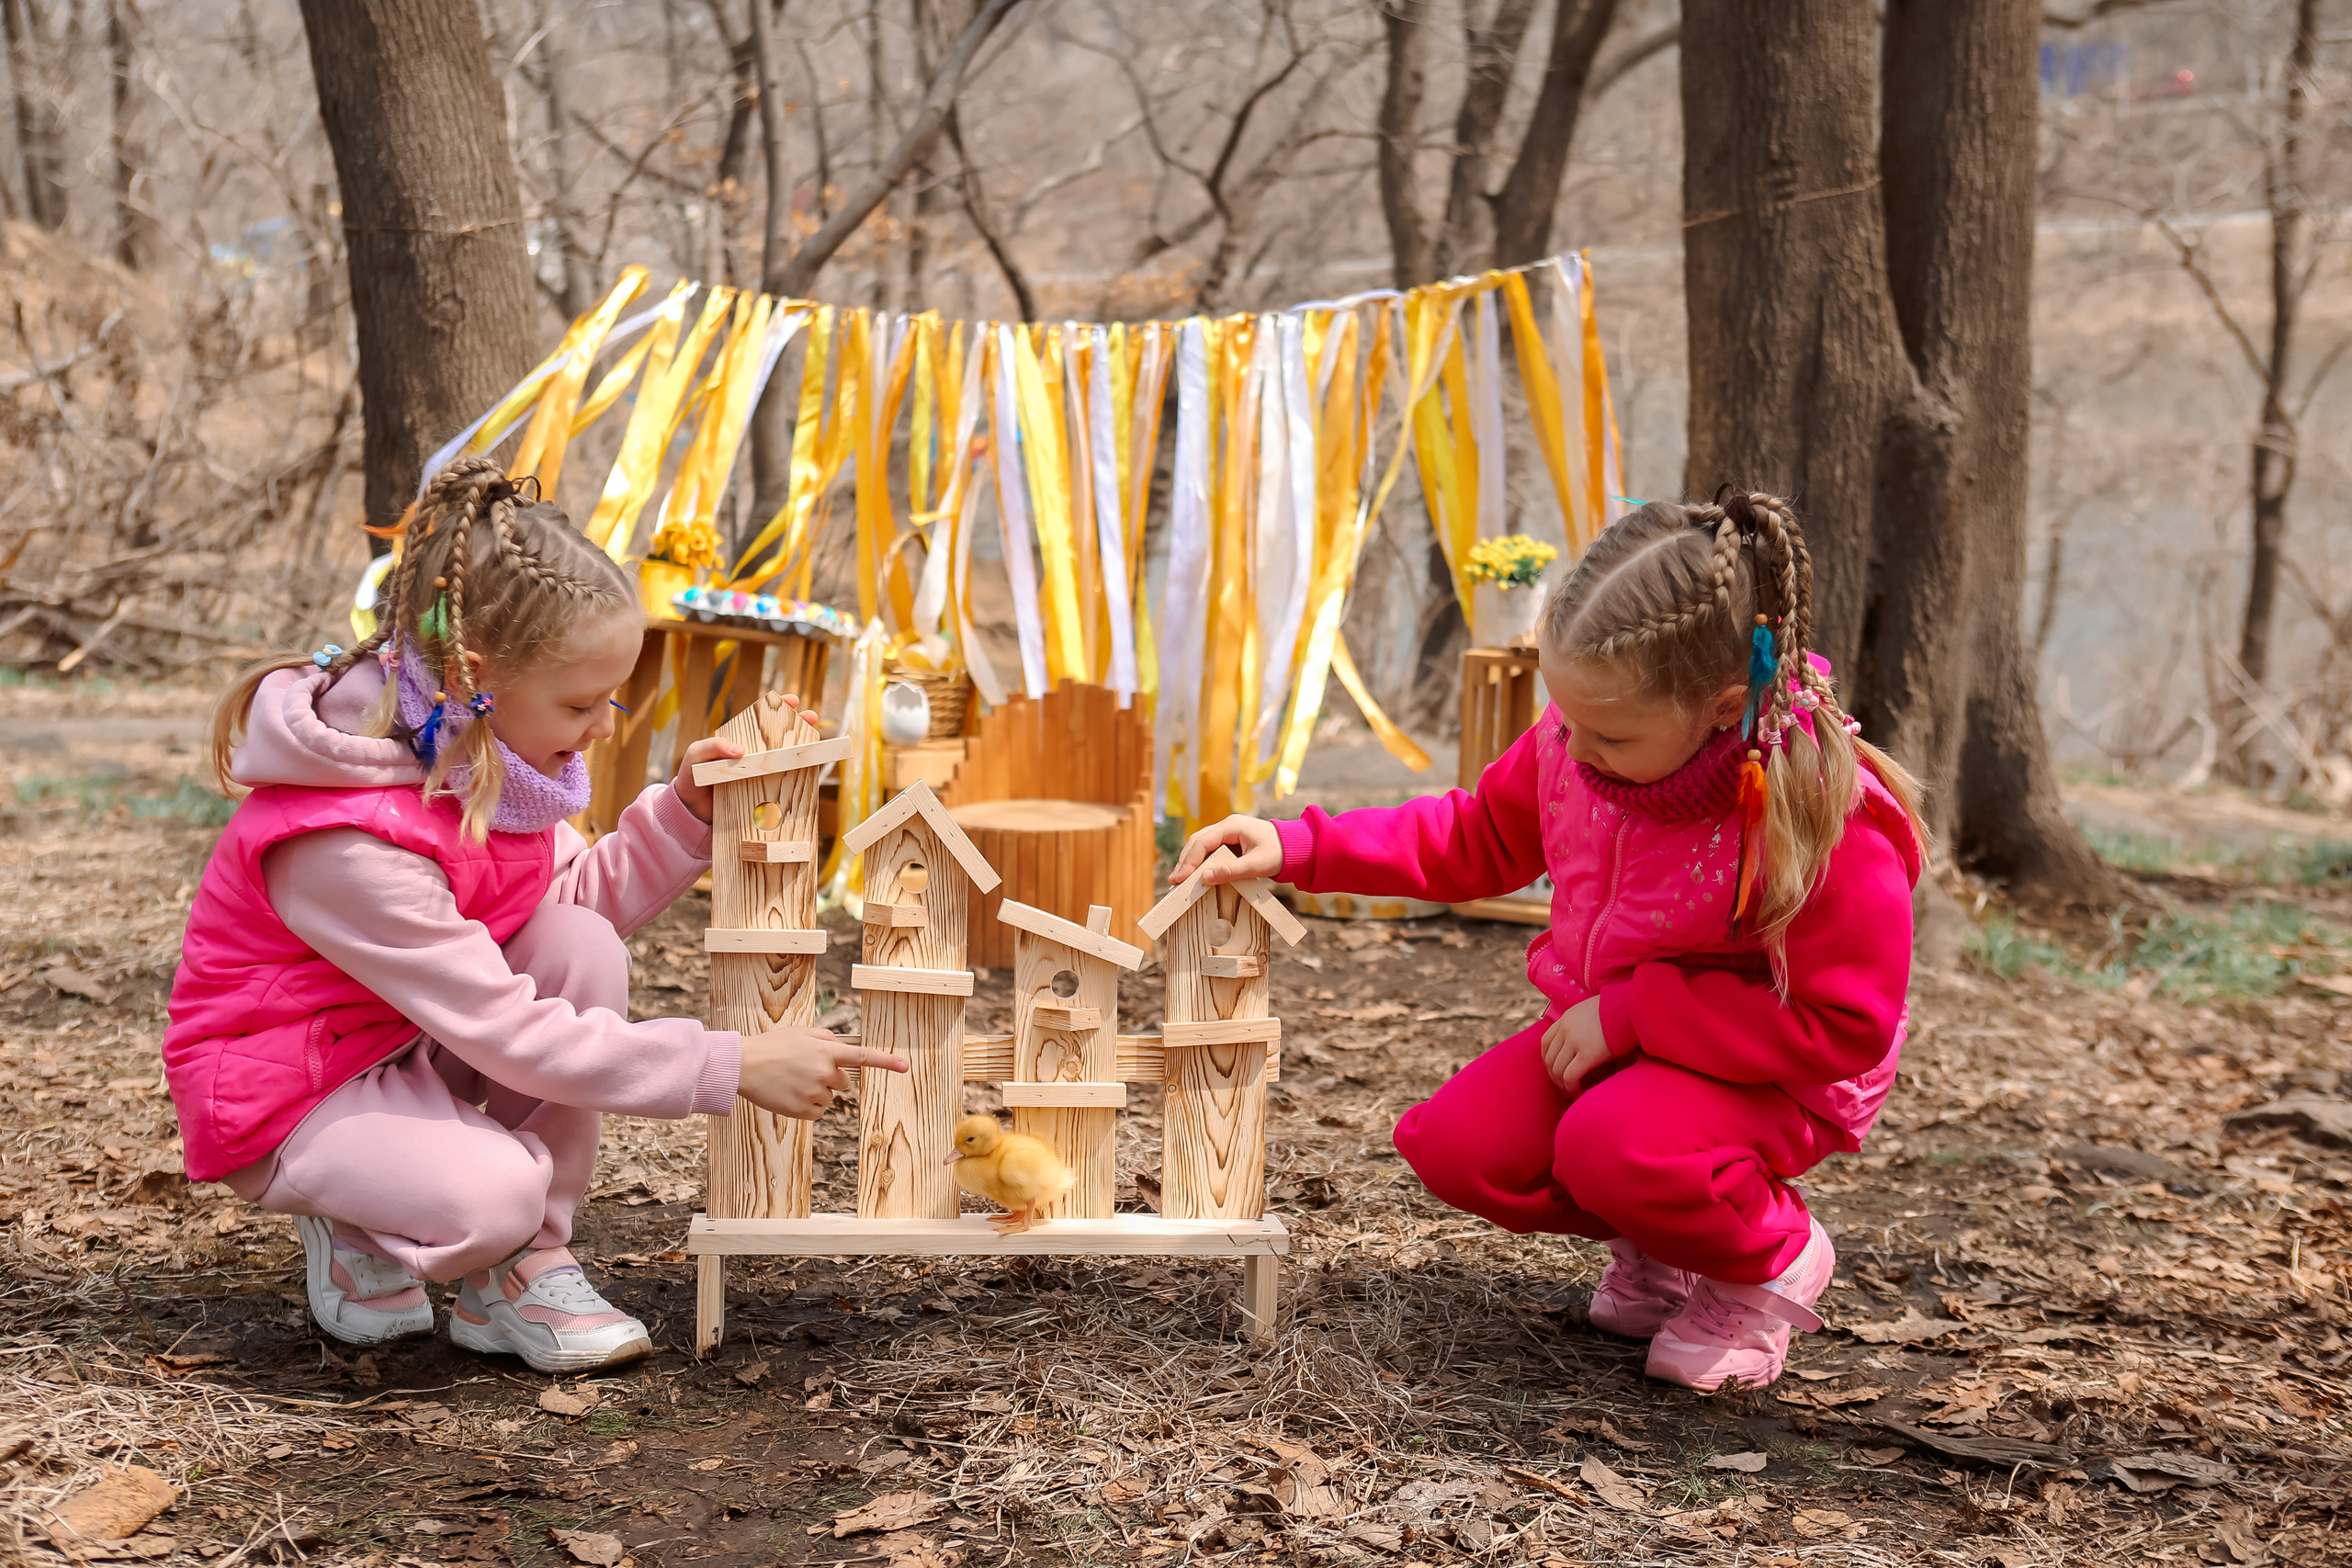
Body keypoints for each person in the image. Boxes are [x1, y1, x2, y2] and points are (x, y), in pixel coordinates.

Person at [1170, 492, 1926, 1392]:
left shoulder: (1813, 812)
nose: (1577, 750)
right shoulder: (1577, 749)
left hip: (1769, 1072)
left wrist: (1637, 1013)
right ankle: (1662, 1237)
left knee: (1615, 1146)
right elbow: (1469, 837)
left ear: (1724, 708)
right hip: (1620, 1041)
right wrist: (1300, 844)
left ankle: (1764, 1260)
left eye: (1609, 734)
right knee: (1458, 1148)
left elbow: (1844, 1025)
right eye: (1565, 720)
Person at [164, 455, 899, 1374]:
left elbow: (557, 919)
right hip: (291, 1087)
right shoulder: (348, 844)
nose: (604, 727)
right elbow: (508, 1030)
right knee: (499, 1194)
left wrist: (684, 813)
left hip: (396, 1038)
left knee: (578, 943)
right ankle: (359, 1210)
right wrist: (728, 1062)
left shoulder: (489, 770)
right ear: (475, 674)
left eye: (613, 698)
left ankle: (519, 1273)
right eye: (581, 702)